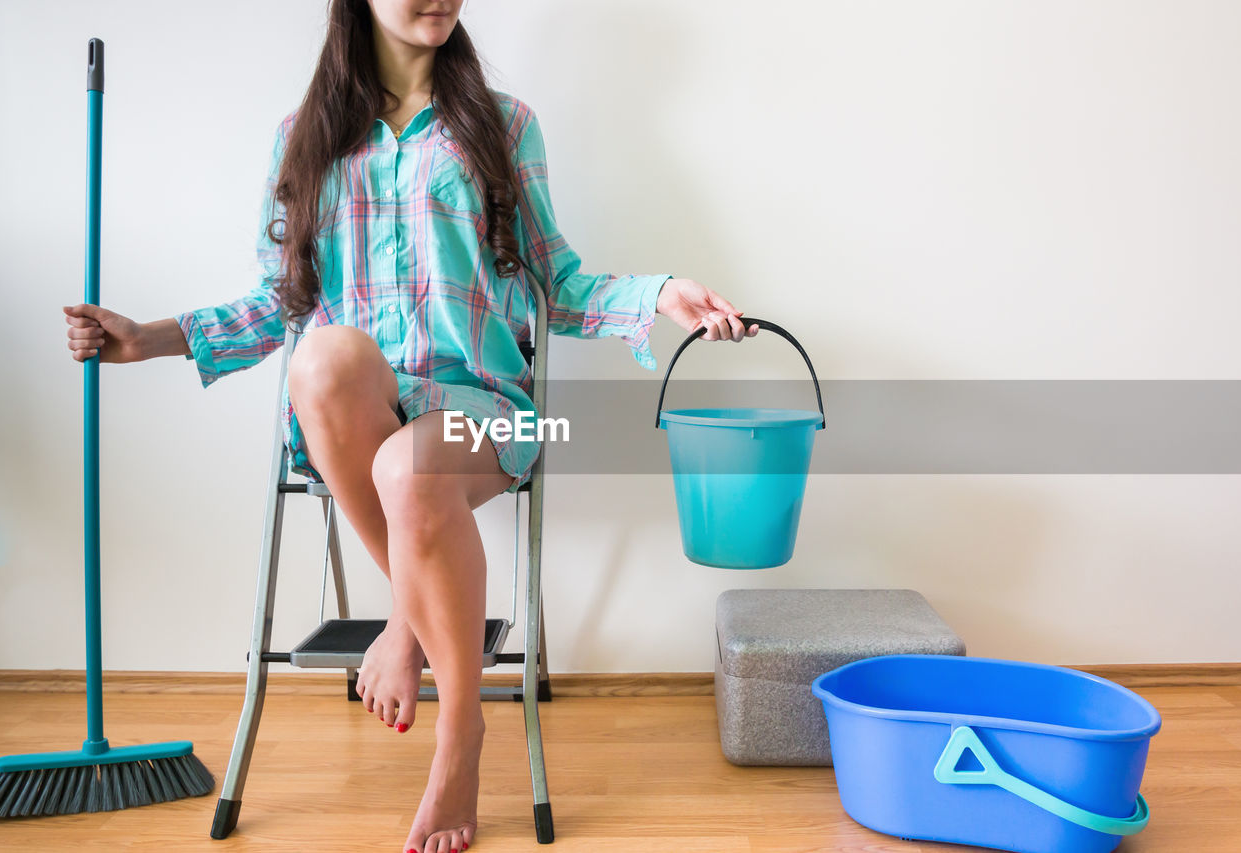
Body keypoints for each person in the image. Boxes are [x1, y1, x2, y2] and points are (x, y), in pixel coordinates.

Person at [63, 2, 757, 851]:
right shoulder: (303, 137)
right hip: (356, 418)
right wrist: (150, 338)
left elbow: (556, 281)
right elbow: (278, 304)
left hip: (478, 413)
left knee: (410, 468)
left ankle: (457, 726)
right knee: (323, 359)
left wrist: (659, 293)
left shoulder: (502, 127)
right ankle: (413, 619)